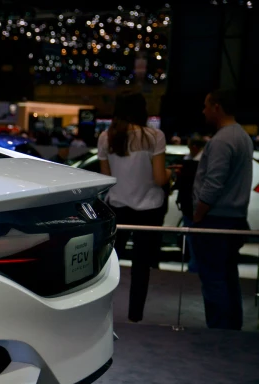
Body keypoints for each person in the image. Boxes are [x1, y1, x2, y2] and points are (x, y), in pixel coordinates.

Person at [98, 93, 170, 322]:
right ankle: (135, 317)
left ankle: (101, 314)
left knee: (108, 265)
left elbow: (106, 178)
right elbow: (160, 178)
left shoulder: (106, 137)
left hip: (118, 207)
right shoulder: (154, 136)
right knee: (142, 266)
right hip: (149, 209)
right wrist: (171, 173)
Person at [191, 89, 253, 330]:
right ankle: (231, 332)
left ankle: (218, 333)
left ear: (217, 106)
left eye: (206, 105)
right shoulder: (243, 137)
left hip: (215, 221)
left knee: (214, 280)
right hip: (234, 219)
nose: (203, 110)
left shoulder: (221, 140)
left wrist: (197, 216)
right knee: (228, 278)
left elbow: (213, 183)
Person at [173, 135, 207, 272]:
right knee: (192, 238)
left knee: (196, 238)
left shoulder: (200, 162)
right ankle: (195, 264)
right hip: (188, 204)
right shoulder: (189, 160)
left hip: (195, 204)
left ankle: (196, 266)